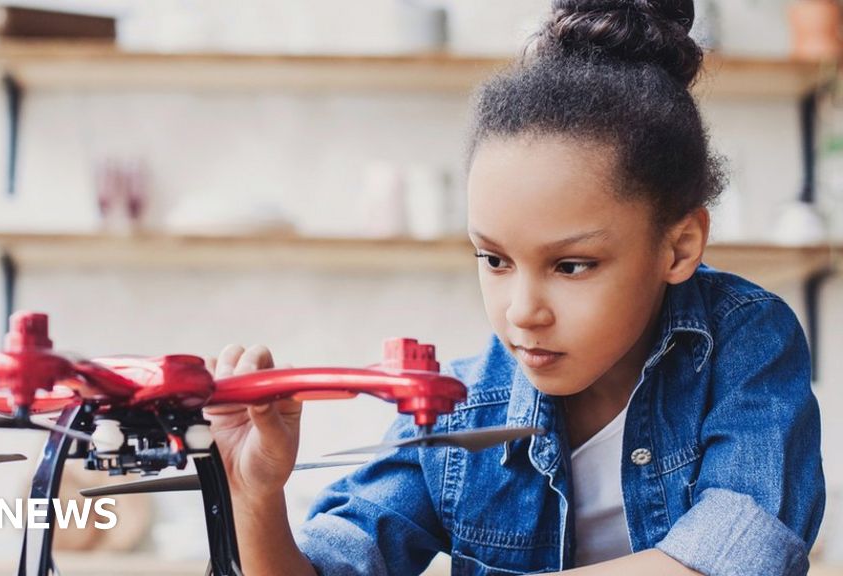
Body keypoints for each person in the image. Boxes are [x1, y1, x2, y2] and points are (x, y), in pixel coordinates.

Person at [202, 1, 826, 574]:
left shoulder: (746, 338)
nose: (522, 312)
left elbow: (739, 553)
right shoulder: (457, 412)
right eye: (494, 259)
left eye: (572, 266)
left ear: (679, 245)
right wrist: (256, 497)